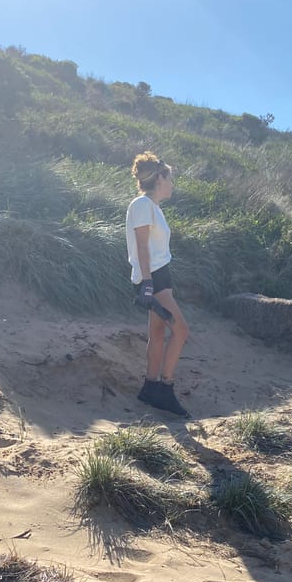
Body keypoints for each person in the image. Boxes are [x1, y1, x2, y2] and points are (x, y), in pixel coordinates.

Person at [125, 151, 190, 417]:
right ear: (160, 178)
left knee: (158, 333)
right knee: (181, 331)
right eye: (170, 178)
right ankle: (165, 388)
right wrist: (148, 285)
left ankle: (150, 388)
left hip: (160, 276)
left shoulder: (153, 207)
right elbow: (142, 246)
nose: (172, 184)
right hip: (153, 278)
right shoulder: (142, 205)